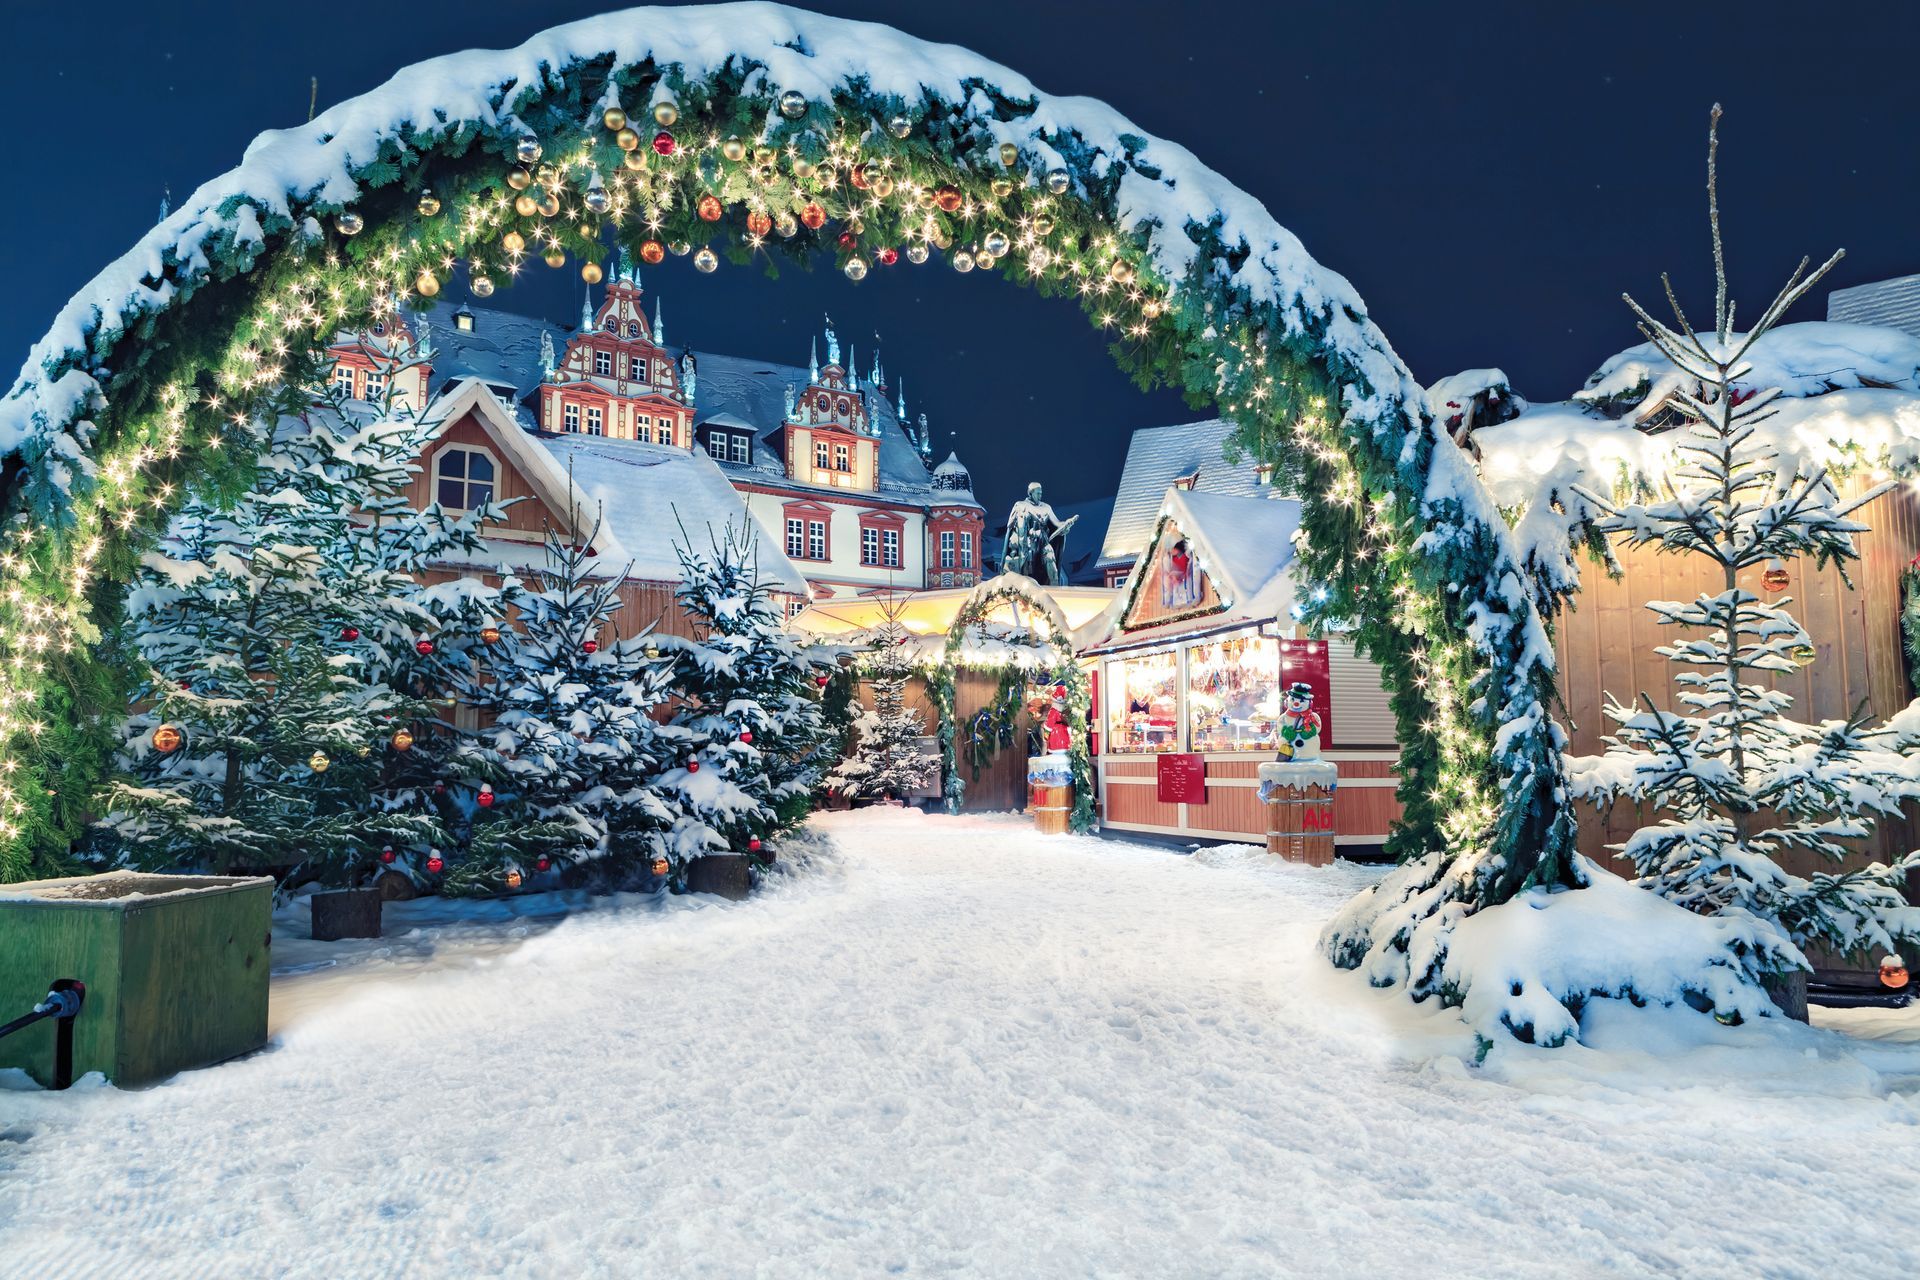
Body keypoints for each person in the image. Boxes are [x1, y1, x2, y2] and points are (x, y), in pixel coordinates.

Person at [1000, 482, 1078, 584]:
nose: (1040, 496)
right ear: (1031, 493)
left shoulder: (1046, 507)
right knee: (1027, 571)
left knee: (1051, 560)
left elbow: (1056, 523)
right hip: (1028, 543)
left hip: (1043, 541)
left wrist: (1065, 524)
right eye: (1037, 493)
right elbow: (1012, 526)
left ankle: (1055, 589)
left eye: (1041, 493)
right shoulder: (1021, 505)